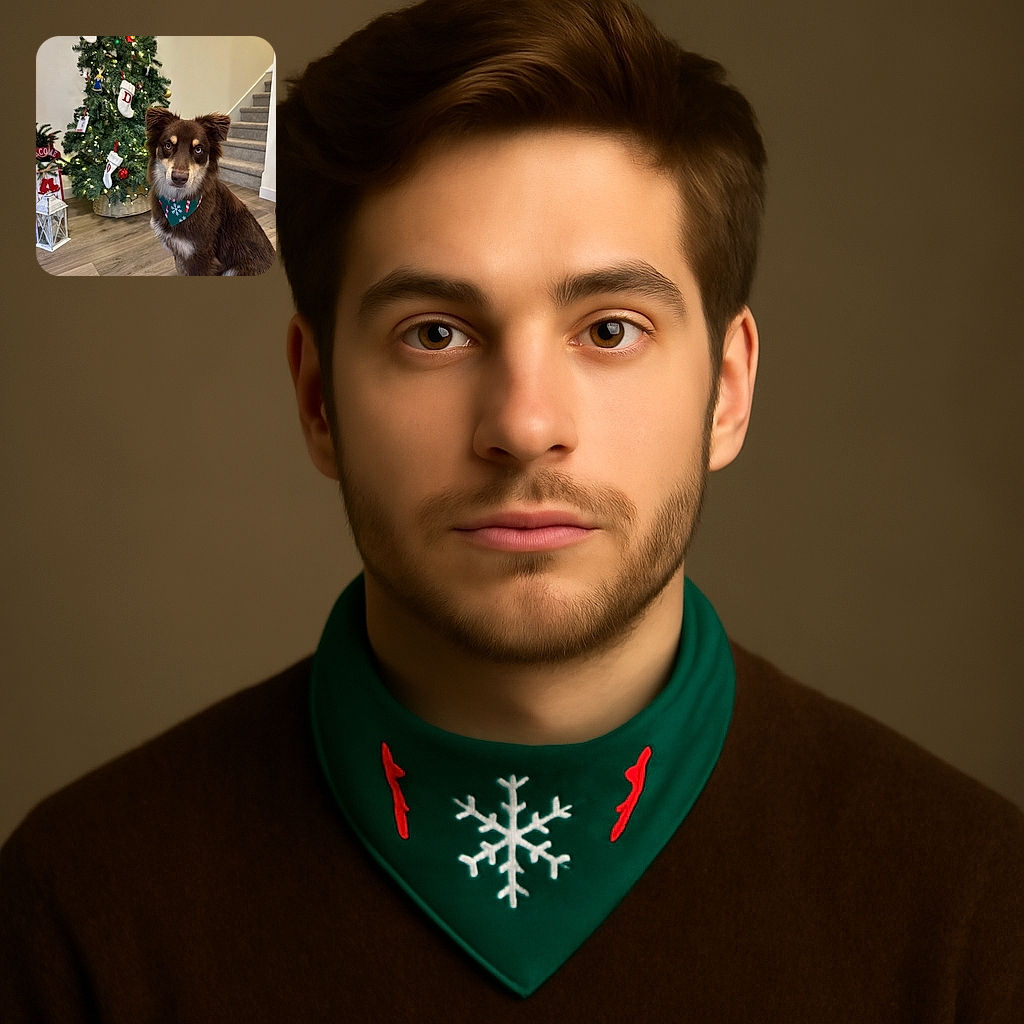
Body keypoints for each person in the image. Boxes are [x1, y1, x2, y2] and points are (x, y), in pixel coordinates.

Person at [2, 0, 1022, 1018]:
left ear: (728, 389)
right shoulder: (80, 913)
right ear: (317, 398)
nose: (525, 425)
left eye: (610, 329)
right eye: (435, 333)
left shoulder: (974, 912)